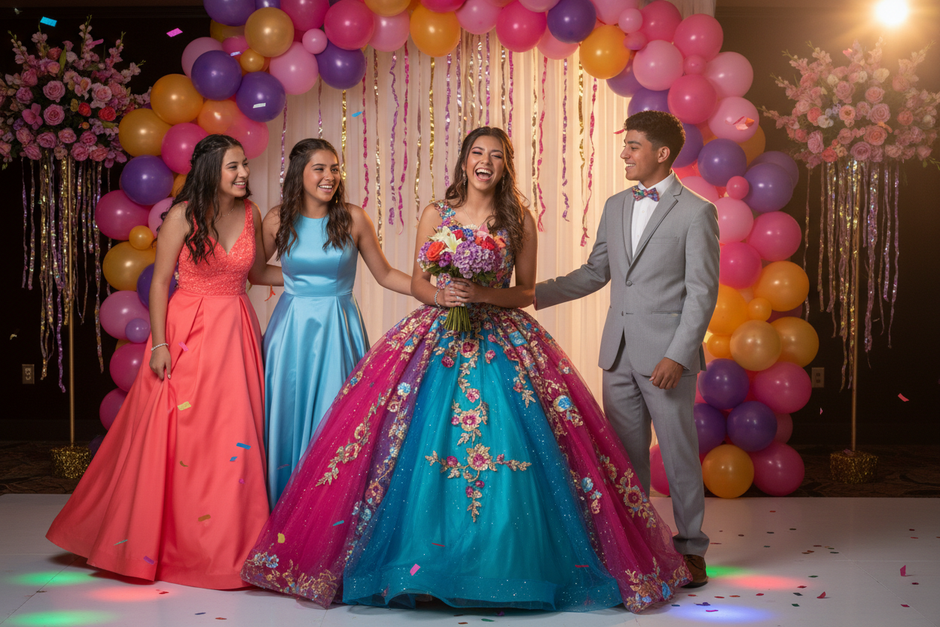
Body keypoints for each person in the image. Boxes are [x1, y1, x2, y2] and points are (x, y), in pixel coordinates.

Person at [241, 127, 690, 612]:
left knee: (512, 443)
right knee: (413, 444)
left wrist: (482, 294)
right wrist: (442, 295)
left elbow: (525, 292)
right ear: (464, 161)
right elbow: (416, 281)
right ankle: (420, 563)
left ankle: (503, 561)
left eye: (496, 156)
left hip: (500, 338)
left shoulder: (518, 219)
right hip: (439, 334)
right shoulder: (437, 212)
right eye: (478, 153)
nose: (486, 162)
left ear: (505, 166)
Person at [47, 134, 283, 590]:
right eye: (233, 167)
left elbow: (255, 275)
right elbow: (159, 284)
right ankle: (175, 543)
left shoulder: (252, 215)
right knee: (184, 435)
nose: (243, 175)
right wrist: (159, 343)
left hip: (235, 328)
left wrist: (309, 276)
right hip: (188, 329)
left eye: (244, 167)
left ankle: (229, 543)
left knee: (234, 435)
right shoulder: (182, 215)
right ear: (211, 168)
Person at [535, 110, 720, 588]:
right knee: (624, 457)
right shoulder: (616, 204)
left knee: (678, 456)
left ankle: (691, 549)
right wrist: (531, 294)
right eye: (625, 145)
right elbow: (595, 273)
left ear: (661, 153)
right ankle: (638, 545)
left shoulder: (697, 212)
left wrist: (677, 355)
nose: (624, 153)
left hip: (667, 360)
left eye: (633, 145)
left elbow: (702, 293)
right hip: (616, 352)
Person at [261, 138, 411, 508]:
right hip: (291, 332)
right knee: (288, 416)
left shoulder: (354, 217)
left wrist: (433, 291)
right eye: (320, 168)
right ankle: (283, 508)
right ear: (299, 173)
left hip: (339, 329)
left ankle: (330, 510)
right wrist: (300, 279)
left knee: (338, 420)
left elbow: (386, 274)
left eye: (334, 168)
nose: (330, 177)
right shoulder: (277, 218)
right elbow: (254, 272)